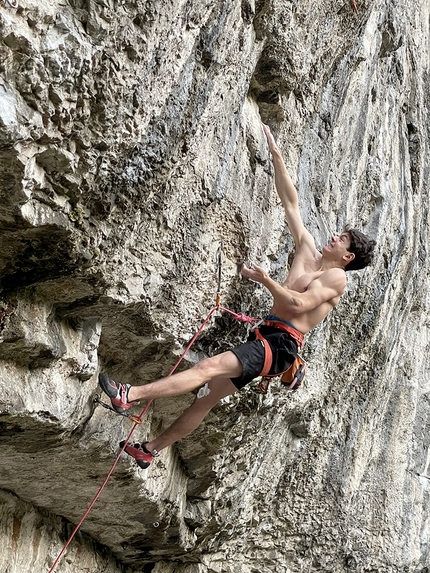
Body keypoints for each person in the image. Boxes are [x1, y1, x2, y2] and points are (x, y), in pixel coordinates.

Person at [99, 124, 376, 469]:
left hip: (281, 346)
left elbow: (299, 304)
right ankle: (149, 450)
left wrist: (266, 280)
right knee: (205, 399)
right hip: (267, 337)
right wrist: (277, 156)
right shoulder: (307, 251)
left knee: (207, 367)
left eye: (342, 240)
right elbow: (291, 203)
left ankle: (130, 395)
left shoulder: (335, 277)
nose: (334, 237)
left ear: (347, 257)